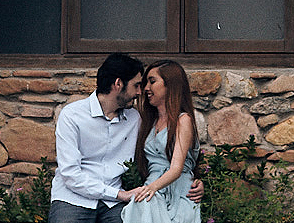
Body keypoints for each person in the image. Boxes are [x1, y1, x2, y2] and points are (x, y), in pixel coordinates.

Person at [50, 53, 203, 223]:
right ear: (118, 84)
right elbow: (70, 173)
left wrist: (193, 181)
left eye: (148, 83)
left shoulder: (135, 119)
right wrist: (120, 194)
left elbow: (171, 154)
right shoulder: (72, 115)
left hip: (113, 203)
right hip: (74, 198)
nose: (140, 91)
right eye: (137, 85)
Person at [120, 60, 200, 223]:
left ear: (170, 85)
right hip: (152, 188)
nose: (146, 88)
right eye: (145, 83)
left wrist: (150, 188)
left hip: (177, 190)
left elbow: (176, 168)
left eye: (152, 81)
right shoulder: (147, 122)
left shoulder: (183, 120)